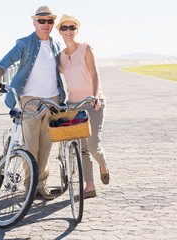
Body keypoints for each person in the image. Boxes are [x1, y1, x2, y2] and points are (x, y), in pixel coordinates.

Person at [0, 6, 67, 200]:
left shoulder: (56, 45)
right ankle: (30, 186)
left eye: (49, 21)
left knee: (47, 145)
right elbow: (7, 60)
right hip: (30, 100)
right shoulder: (24, 43)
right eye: (42, 21)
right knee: (31, 147)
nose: (46, 25)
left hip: (52, 100)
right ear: (34, 23)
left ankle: (41, 185)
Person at [56, 14, 110, 199]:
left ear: (76, 30)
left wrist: (95, 97)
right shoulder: (60, 57)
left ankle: (103, 164)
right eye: (65, 28)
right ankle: (90, 187)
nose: (68, 31)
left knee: (94, 146)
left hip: (93, 103)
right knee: (82, 148)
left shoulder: (86, 49)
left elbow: (94, 74)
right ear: (60, 31)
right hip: (73, 105)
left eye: (72, 27)